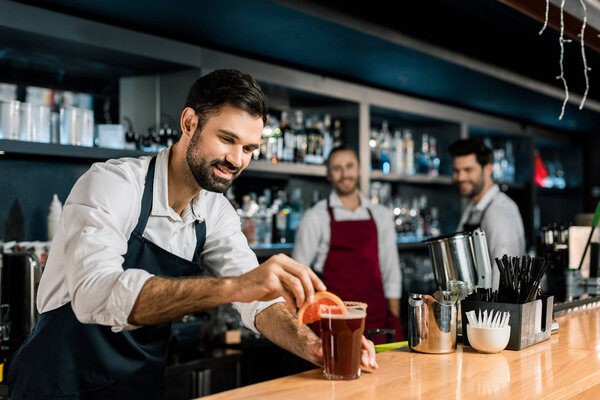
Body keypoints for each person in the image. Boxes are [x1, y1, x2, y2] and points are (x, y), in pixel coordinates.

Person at [8, 70, 377, 399]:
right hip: (56, 386)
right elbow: (94, 295)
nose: (237, 160)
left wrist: (314, 347)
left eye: (249, 148)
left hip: (139, 387)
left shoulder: (215, 211)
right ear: (189, 123)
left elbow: (259, 303)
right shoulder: (111, 184)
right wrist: (235, 286)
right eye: (227, 139)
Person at [293, 145, 403, 341]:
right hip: (333, 318)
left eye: (349, 166)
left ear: (359, 168)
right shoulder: (315, 217)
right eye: (337, 168)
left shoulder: (380, 215)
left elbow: (391, 271)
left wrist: (393, 318)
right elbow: (298, 273)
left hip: (375, 316)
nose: (345, 174)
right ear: (328, 174)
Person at [449, 138, 526, 289]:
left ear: (488, 169)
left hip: (490, 311)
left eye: (468, 170)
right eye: (456, 171)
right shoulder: (473, 207)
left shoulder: (500, 210)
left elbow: (503, 279)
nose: (460, 177)